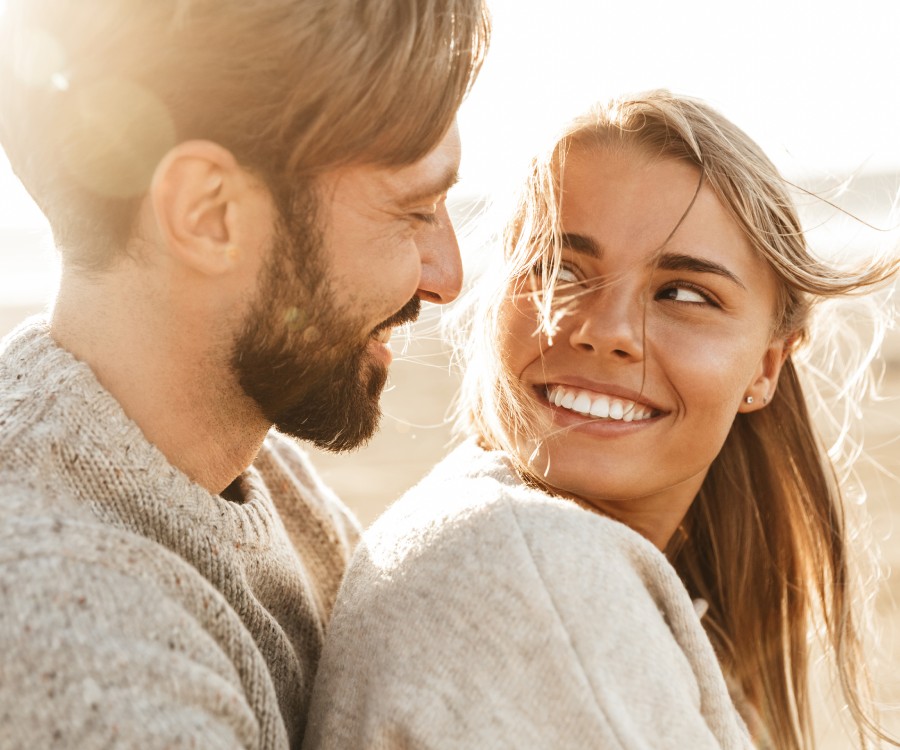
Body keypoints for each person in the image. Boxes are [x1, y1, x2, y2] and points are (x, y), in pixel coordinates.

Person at [303, 92, 900, 749]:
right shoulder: (534, 568)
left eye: (682, 294)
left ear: (765, 368)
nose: (607, 332)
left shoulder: (535, 546)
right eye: (560, 270)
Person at [0, 0, 489, 746]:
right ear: (209, 214)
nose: (446, 277)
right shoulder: (75, 649)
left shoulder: (254, 470)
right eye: (413, 211)